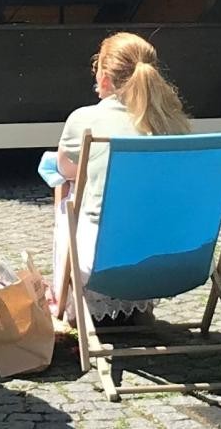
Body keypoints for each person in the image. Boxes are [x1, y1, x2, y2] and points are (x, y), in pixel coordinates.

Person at [45, 32, 191, 323]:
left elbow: (64, 169)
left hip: (106, 261)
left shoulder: (85, 120)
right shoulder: (175, 124)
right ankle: (138, 308)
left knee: (65, 190)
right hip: (178, 256)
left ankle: (65, 302)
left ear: (106, 78)